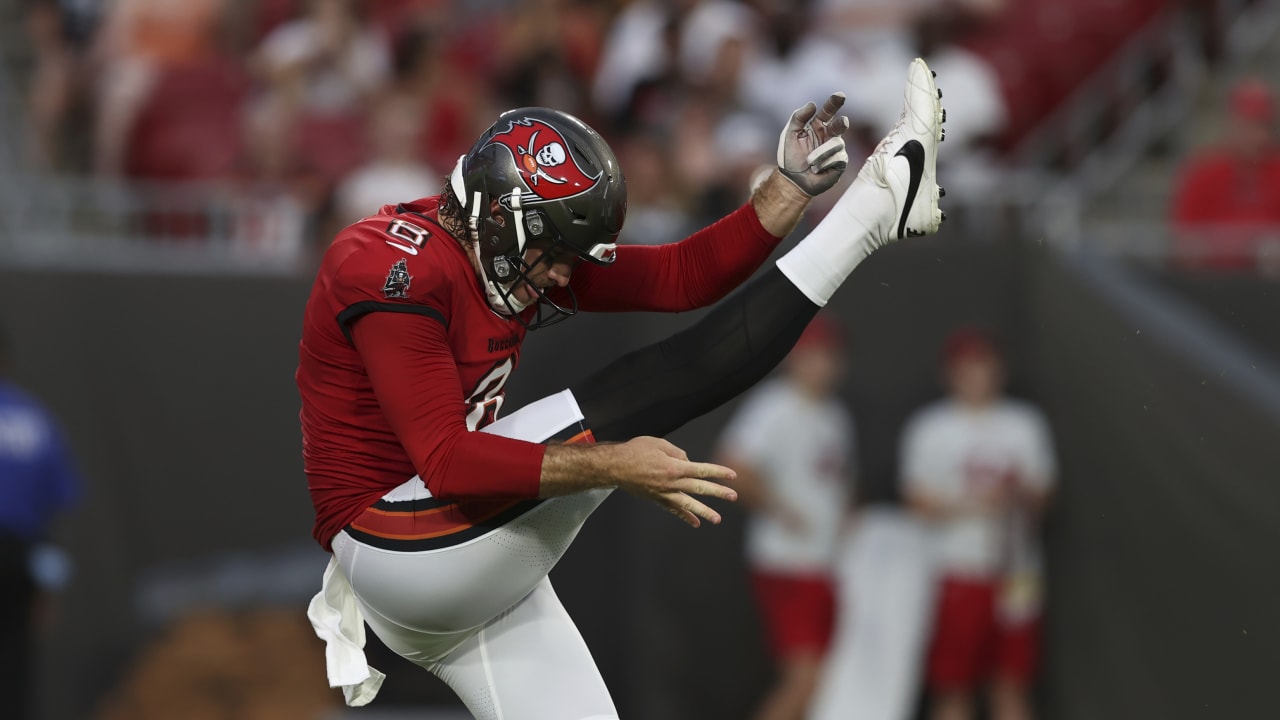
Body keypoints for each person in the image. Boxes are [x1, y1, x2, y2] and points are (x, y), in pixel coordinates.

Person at [300, 58, 945, 717]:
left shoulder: (512, 244)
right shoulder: (390, 267)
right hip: (394, 544)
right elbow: (447, 461)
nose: (557, 278)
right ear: (499, 216)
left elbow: (679, 277)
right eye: (550, 255)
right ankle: (875, 207)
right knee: (643, 391)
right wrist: (612, 465)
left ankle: (875, 205)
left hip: (461, 562)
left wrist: (785, 190)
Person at [901, 327, 1057, 720]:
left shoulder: (1025, 423)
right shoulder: (931, 427)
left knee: (1012, 684)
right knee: (955, 687)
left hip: (1018, 575)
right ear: (950, 373)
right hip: (956, 571)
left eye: (984, 365)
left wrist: (1019, 494)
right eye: (967, 367)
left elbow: (1044, 492)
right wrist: (974, 503)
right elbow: (915, 500)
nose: (977, 375)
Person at [714, 312, 856, 720]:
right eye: (814, 354)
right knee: (805, 679)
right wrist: (781, 509)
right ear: (794, 357)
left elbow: (836, 483)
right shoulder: (775, 406)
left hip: (825, 562)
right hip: (787, 562)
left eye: (830, 355)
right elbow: (730, 464)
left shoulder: (835, 416)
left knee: (823, 682)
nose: (823, 364)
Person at [0, 324, 82, 720]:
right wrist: (48, 583)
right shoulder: (37, 421)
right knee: (15, 669)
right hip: (20, 562)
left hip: (19, 555)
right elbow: (55, 518)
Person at [1171, 78, 1280, 271]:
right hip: (1214, 282)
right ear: (1232, 124)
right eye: (1249, 125)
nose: (1258, 136)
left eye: (1263, 126)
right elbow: (1184, 242)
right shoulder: (1203, 172)